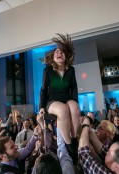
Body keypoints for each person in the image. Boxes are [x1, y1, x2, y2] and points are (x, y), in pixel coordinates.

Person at [39, 34, 80, 163]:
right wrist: (41, 107)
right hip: (52, 101)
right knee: (62, 109)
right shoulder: (48, 70)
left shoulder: (71, 70)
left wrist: (75, 102)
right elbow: (43, 89)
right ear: (53, 57)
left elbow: (74, 88)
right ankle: (70, 148)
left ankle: (74, 139)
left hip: (66, 98)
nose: (59, 53)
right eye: (56, 51)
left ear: (66, 56)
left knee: (74, 107)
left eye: (62, 52)